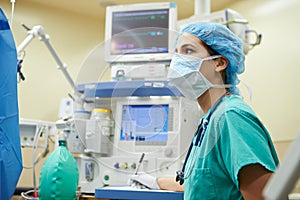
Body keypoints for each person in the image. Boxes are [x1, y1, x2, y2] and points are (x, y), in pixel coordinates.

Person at [130, 22, 279, 200]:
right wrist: (155, 181)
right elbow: (206, 182)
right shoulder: (209, 119)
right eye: (177, 53)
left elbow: (264, 197)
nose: (177, 61)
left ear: (220, 62)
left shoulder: (231, 117)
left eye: (188, 51)